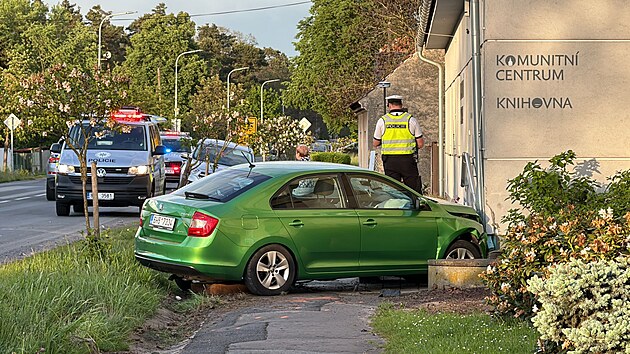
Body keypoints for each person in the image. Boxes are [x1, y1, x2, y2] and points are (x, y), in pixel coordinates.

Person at [373, 94, 424, 193]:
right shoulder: (411, 120)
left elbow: (375, 143)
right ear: (401, 104)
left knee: (393, 190)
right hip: (408, 160)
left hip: (390, 161)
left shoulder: (382, 121)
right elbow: (420, 144)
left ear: (389, 105)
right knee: (413, 190)